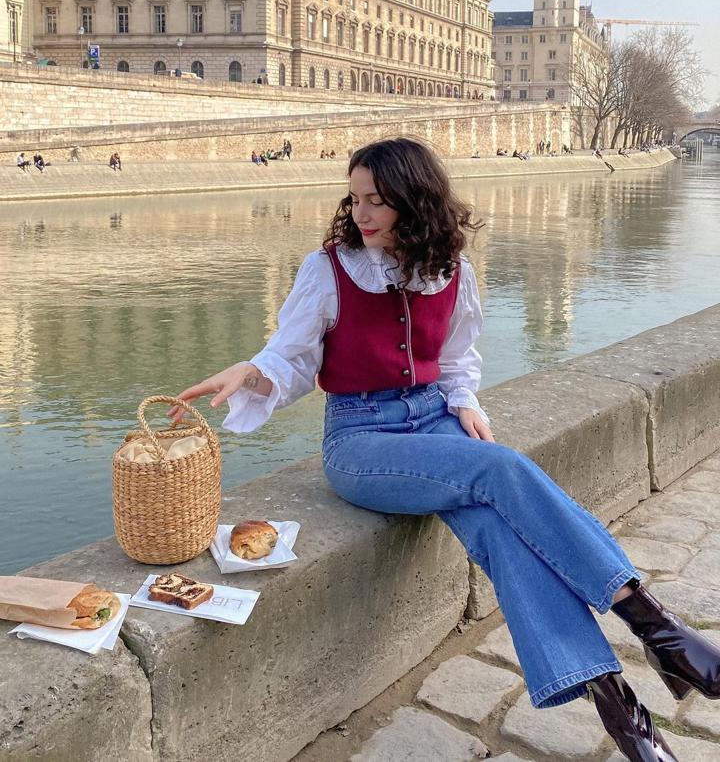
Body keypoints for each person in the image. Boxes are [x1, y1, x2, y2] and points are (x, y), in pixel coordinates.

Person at [172, 137, 719, 762]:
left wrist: (464, 402)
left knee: (503, 535)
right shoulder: (328, 268)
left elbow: (457, 360)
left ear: (415, 201)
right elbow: (293, 357)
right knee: (500, 467)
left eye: (377, 201)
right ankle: (654, 626)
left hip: (435, 421)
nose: (361, 215)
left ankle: (622, 715)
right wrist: (253, 371)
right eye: (354, 200)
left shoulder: (453, 271)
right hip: (360, 440)